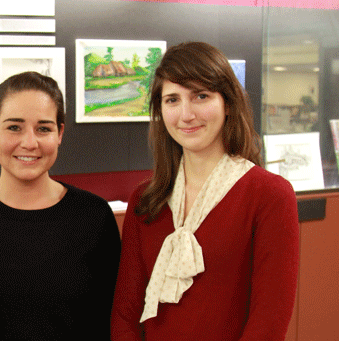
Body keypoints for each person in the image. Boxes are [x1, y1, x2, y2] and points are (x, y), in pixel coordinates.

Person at [110, 42, 299, 340]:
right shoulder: (145, 200)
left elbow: (269, 323)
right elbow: (124, 315)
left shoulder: (269, 195)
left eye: (201, 96)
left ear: (228, 103)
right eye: (172, 99)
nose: (186, 114)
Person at [0, 71, 121, 340]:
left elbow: (111, 316)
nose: (29, 143)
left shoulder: (93, 216)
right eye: (14, 127)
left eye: (43, 128)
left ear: (59, 133)